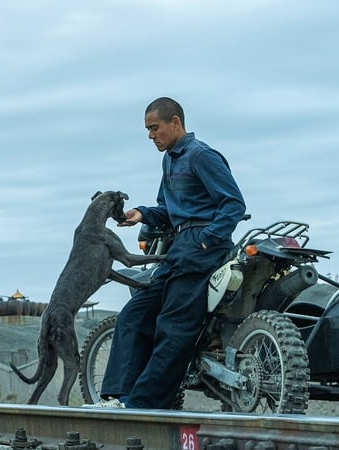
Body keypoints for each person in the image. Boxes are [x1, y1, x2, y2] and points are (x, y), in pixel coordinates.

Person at [86, 97, 246, 409]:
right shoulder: (169, 159)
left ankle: (141, 405)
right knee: (134, 313)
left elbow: (234, 204)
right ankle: (119, 397)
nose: (150, 135)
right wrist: (141, 214)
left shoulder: (201, 156)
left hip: (202, 250)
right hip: (178, 250)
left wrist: (206, 239)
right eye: (147, 130)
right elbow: (167, 210)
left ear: (175, 122)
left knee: (173, 326)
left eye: (155, 128)